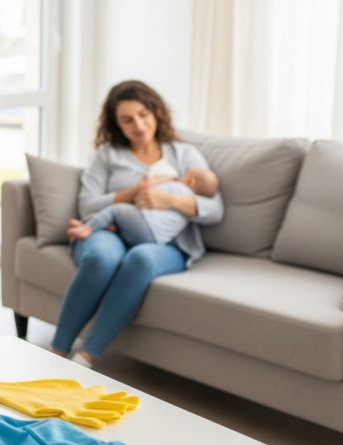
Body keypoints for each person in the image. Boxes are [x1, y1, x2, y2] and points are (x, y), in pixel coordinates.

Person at [51, 80, 223, 367]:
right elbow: (88, 205)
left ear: (155, 111)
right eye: (127, 120)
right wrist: (133, 193)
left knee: (140, 259)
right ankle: (57, 350)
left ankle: (86, 355)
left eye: (143, 114)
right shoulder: (107, 157)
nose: (139, 125)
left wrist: (170, 201)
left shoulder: (183, 154)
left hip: (165, 243)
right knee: (102, 257)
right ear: (117, 125)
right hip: (111, 232)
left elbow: (216, 209)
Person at [65, 167, 219, 246]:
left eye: (185, 174)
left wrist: (151, 182)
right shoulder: (190, 205)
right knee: (116, 221)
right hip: (156, 239)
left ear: (191, 182)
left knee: (116, 210)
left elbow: (147, 194)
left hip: (147, 226)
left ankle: (87, 228)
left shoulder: (178, 188)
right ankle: (92, 224)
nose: (181, 175)